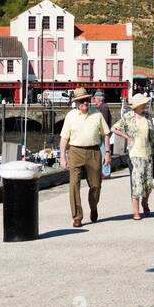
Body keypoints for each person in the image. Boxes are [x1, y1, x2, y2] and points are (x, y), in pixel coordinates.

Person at [59, 87, 110, 227]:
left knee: (96, 185)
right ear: (76, 103)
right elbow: (64, 139)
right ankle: (77, 216)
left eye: (87, 100)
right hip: (75, 152)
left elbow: (106, 134)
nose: (85, 103)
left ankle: (93, 207)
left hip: (94, 152)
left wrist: (107, 153)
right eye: (82, 101)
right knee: (74, 185)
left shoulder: (97, 114)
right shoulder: (70, 116)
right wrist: (62, 158)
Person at [111, 93, 154, 220]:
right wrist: (126, 137)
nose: (145, 105)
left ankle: (145, 202)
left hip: (147, 153)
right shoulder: (128, 117)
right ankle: (135, 211)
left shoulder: (148, 117)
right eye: (143, 103)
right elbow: (114, 128)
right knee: (137, 183)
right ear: (137, 105)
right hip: (134, 154)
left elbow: (152, 135)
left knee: (148, 184)